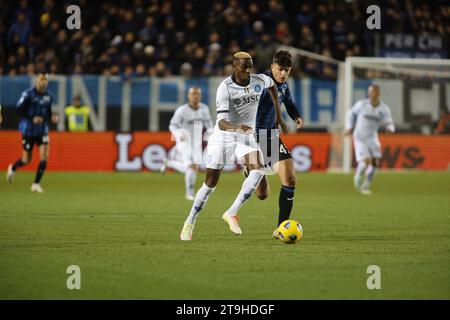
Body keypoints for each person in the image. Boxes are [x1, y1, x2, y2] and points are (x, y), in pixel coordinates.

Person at [179, 51, 287, 241]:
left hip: (245, 135)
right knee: (210, 182)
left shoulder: (259, 81)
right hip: (224, 136)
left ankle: (231, 212)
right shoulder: (225, 88)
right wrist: (236, 127)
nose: (248, 70)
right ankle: (190, 221)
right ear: (234, 67)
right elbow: (221, 122)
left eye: (251, 66)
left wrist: (278, 116)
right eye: (245, 66)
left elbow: (273, 88)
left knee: (258, 169)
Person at [253, 50, 304, 238]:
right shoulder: (258, 83)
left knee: (290, 179)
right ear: (272, 67)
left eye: (287, 70)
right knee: (262, 195)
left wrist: (296, 115)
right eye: (280, 69)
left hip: (271, 137)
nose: (283, 74)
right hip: (252, 139)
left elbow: (288, 102)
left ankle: (281, 228)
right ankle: (249, 169)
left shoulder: (283, 86)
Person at [6, 72, 58, 193]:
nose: (43, 82)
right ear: (36, 81)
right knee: (26, 160)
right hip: (28, 130)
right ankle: (13, 168)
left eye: (45, 80)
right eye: (41, 79)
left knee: (44, 157)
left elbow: (48, 111)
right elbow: (19, 109)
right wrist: (32, 118)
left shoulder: (49, 96)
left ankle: (36, 184)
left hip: (42, 130)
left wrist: (52, 117)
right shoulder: (28, 94)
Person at [160, 87, 213, 200]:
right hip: (184, 141)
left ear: (200, 96)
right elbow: (172, 125)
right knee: (191, 166)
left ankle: (169, 163)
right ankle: (189, 193)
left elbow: (209, 124)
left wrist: (211, 133)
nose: (195, 96)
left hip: (196, 142)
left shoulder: (204, 109)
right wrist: (178, 133)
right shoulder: (182, 110)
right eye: (193, 94)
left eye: (197, 94)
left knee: (193, 167)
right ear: (188, 96)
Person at [345, 85, 395, 195]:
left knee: (375, 163)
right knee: (366, 161)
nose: (373, 94)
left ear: (378, 93)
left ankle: (366, 186)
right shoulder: (362, 104)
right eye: (371, 92)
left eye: (375, 92)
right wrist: (349, 126)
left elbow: (389, 122)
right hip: (360, 137)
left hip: (372, 137)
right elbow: (350, 113)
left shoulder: (384, 109)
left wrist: (390, 129)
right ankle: (358, 176)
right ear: (369, 93)